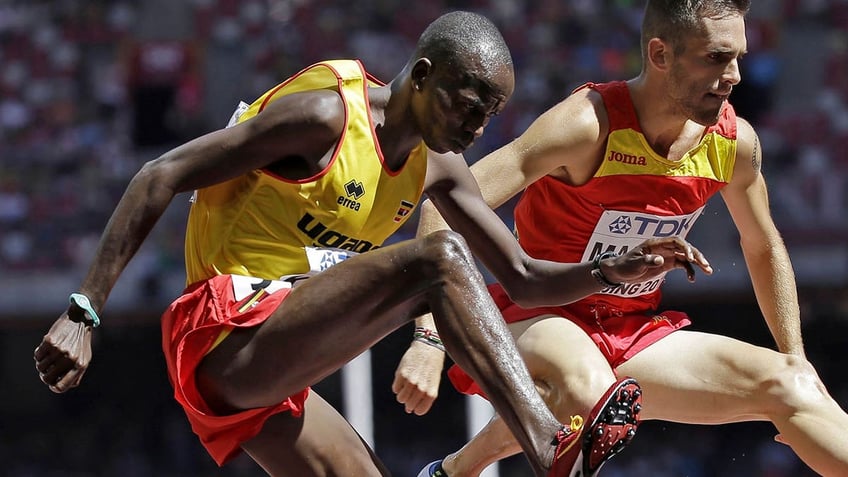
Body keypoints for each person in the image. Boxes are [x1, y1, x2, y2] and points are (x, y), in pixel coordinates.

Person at [32, 11, 709, 477]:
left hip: (277, 360)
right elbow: (162, 173)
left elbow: (526, 277)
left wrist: (614, 268)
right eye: (464, 102)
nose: (474, 127)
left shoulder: (438, 165)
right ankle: (548, 445)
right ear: (419, 76)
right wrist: (84, 308)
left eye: (489, 115)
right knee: (438, 261)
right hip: (220, 329)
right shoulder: (326, 115)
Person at [404, 2, 848, 476]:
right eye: (717, 58)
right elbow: (442, 208)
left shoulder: (732, 144)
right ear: (660, 54)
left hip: (631, 333)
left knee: (793, 385)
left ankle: (452, 472)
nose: (736, 75)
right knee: (590, 393)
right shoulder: (587, 126)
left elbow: (764, 247)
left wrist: (797, 357)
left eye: (739, 56)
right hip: (539, 317)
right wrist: (428, 339)